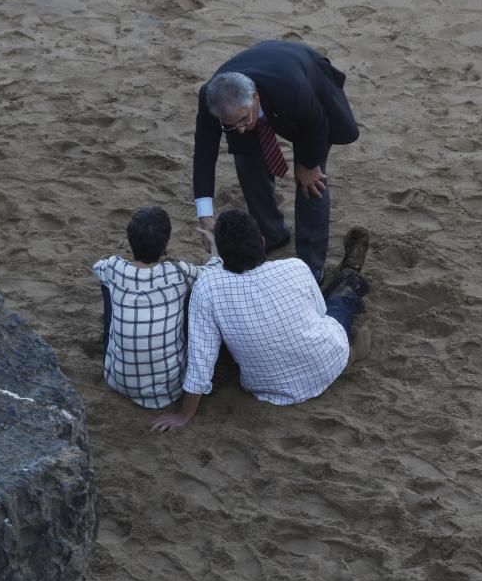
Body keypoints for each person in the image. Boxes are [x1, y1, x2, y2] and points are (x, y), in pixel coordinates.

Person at [150, 209, 370, 432]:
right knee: (338, 304)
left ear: (222, 256)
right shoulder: (295, 267)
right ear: (262, 242)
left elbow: (201, 362)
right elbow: (320, 313)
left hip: (270, 389)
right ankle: (351, 276)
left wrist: (184, 414)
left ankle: (350, 295)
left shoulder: (207, 288)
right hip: (328, 358)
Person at [192, 40, 360, 285]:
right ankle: (272, 234)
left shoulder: (292, 89)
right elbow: (204, 155)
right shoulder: (211, 100)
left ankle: (310, 267)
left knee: (312, 183)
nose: (238, 130)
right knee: (247, 163)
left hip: (306, 95)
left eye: (242, 120)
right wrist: (205, 215)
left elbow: (318, 122)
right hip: (269, 88)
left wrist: (309, 164)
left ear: (255, 98)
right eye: (229, 124)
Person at [93, 206, 222, 409]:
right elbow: (214, 271)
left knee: (107, 284)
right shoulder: (178, 272)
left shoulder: (113, 267)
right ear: (165, 244)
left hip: (116, 380)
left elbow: (97, 267)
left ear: (130, 241)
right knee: (193, 290)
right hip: (169, 390)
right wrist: (214, 244)